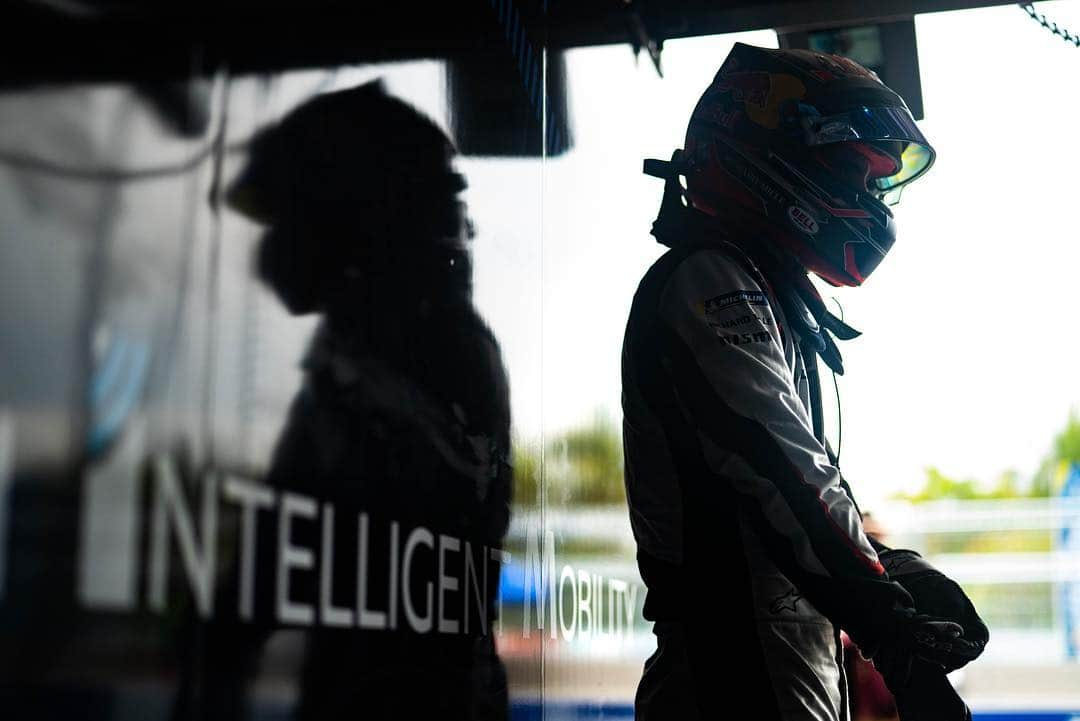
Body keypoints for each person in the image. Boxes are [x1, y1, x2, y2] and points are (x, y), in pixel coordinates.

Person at [621, 43, 988, 721]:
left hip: (785, 683)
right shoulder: (709, 279)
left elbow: (786, 499)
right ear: (771, 158)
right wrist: (894, 631)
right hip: (725, 688)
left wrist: (890, 568)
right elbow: (781, 475)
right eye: (853, 170)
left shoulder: (763, 291)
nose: (871, 196)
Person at [174, 80, 513, 721]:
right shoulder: (380, 346)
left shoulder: (419, 352)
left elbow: (273, 561)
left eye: (302, 216)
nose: (280, 246)